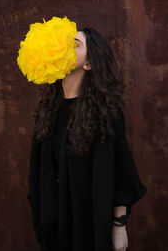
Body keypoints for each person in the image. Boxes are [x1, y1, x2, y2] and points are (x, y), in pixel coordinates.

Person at [27, 27, 147, 251]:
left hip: (89, 226)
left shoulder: (105, 113)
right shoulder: (48, 109)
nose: (63, 48)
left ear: (89, 64)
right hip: (52, 225)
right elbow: (39, 170)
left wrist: (118, 226)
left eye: (75, 44)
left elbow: (121, 171)